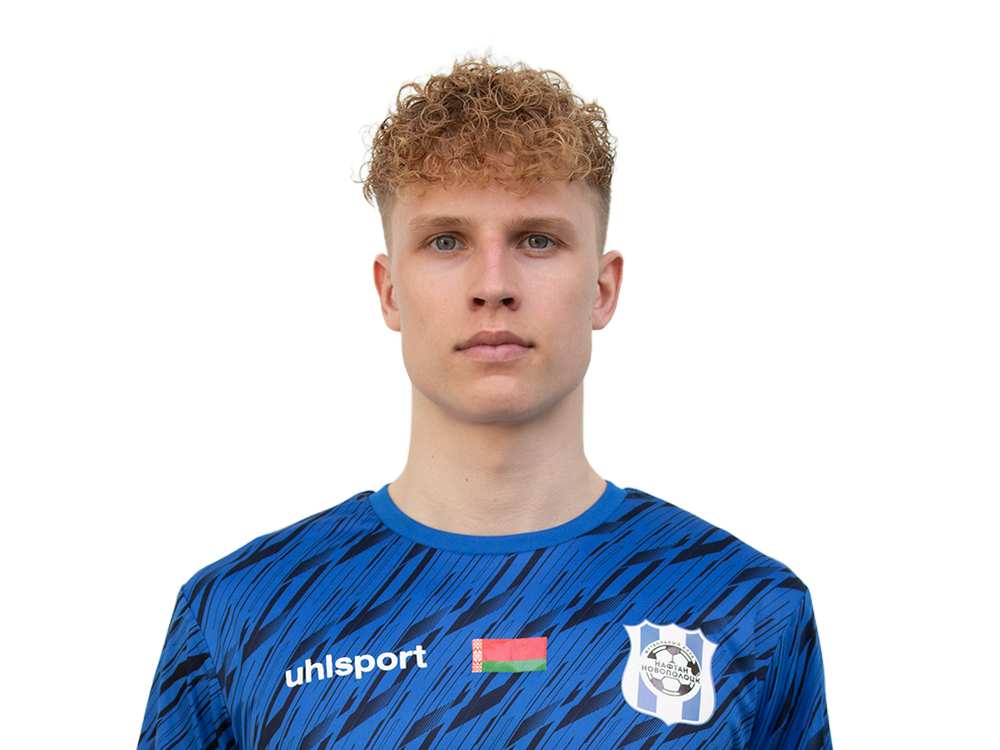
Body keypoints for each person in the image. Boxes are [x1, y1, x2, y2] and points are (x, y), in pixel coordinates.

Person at [136, 42, 833, 749]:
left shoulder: (745, 608)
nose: (493, 284)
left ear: (604, 288)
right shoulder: (243, 615)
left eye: (537, 240)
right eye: (446, 241)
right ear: (388, 291)